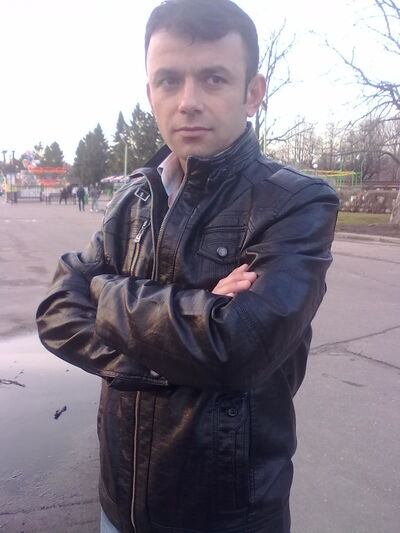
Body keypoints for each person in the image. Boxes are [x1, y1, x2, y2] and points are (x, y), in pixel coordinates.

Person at [36, 1, 339, 532]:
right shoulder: (132, 198)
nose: (188, 101)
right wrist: (185, 337)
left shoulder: (297, 202)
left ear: (252, 94)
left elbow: (236, 349)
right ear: (150, 90)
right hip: (119, 504)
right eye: (169, 80)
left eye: (214, 78)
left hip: (226, 516)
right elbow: (57, 311)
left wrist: (103, 289)